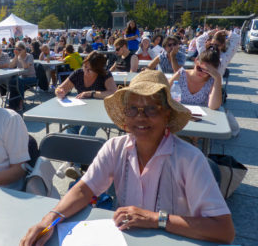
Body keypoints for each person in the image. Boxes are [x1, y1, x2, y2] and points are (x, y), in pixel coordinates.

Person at [21, 70, 235, 246]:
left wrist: (156, 219)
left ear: (167, 114)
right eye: (132, 109)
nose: (141, 117)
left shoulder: (190, 160)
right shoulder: (115, 147)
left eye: (151, 109)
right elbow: (84, 189)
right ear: (124, 116)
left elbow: (224, 230)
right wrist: (50, 220)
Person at [55, 51, 117, 136]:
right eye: (85, 67)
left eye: (90, 70)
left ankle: (83, 148)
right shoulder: (78, 73)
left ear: (98, 70)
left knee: (86, 133)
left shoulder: (105, 74)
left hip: (99, 112)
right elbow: (60, 88)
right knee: (70, 129)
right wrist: (59, 92)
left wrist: (92, 93)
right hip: (80, 109)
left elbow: (113, 92)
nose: (85, 71)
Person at [8, 41, 37, 111]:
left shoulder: (30, 56)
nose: (17, 51)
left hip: (32, 78)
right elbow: (11, 66)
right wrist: (15, 56)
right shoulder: (17, 57)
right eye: (16, 49)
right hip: (22, 77)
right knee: (12, 81)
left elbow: (25, 67)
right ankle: (13, 103)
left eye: (19, 49)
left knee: (19, 81)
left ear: (24, 49)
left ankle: (20, 103)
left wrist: (20, 58)